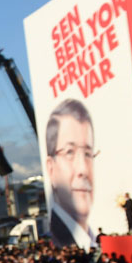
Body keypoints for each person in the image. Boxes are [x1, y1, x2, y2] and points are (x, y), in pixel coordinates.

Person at [45, 98, 97, 248]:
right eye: (70, 152)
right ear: (51, 167)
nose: (83, 169)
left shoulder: (91, 239)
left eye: (88, 153)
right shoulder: (60, 240)